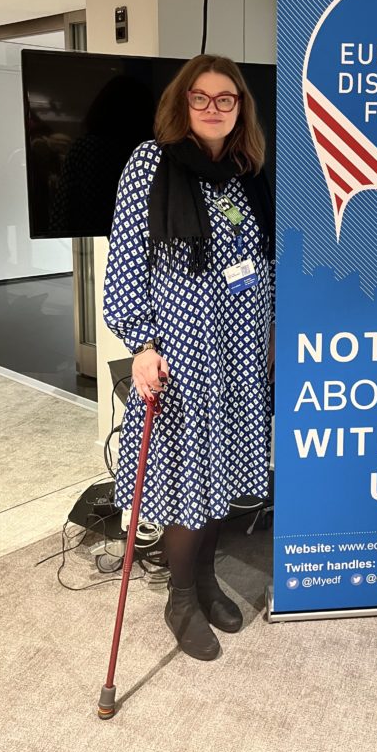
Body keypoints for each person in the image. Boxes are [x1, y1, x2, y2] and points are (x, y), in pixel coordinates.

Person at [103, 54, 274, 661]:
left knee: (220, 478)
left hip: (236, 351)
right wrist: (139, 343)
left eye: (224, 98)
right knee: (187, 483)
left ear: (240, 110)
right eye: (199, 97)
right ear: (182, 104)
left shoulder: (240, 171)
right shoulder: (150, 164)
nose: (211, 107)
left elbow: (253, 261)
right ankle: (180, 595)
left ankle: (204, 579)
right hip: (180, 352)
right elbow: (124, 262)